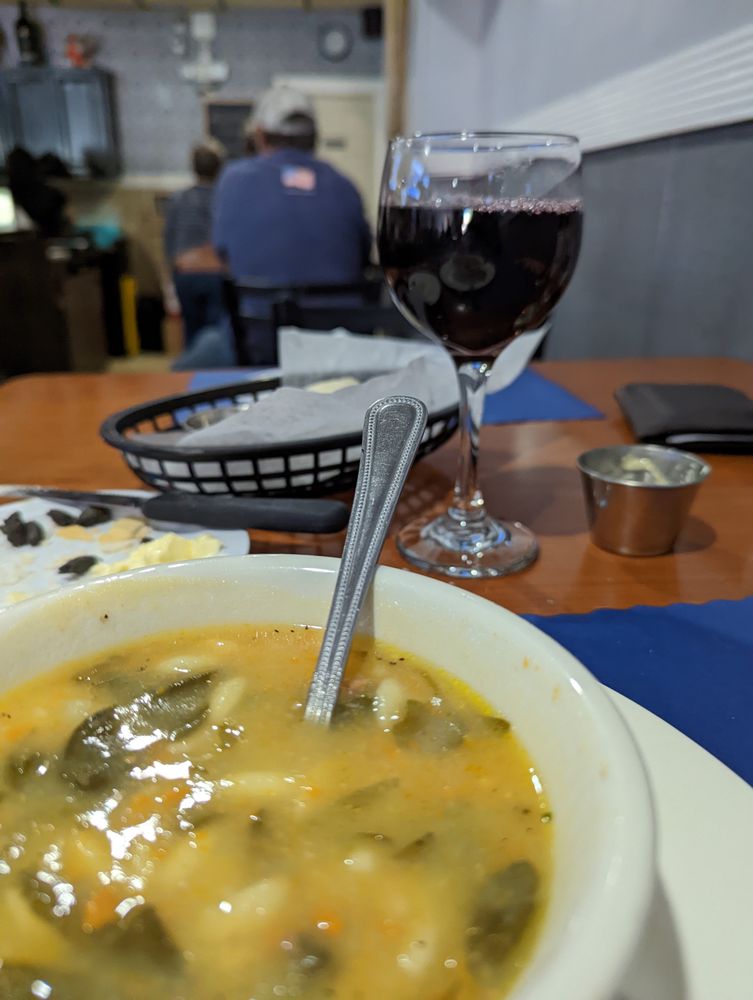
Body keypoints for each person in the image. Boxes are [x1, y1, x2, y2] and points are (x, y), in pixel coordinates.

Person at [211, 85, 373, 364]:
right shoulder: (345, 186)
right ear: (314, 138)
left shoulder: (232, 181)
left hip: (260, 349)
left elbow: (223, 255)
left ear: (259, 135)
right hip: (340, 349)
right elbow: (362, 259)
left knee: (197, 352)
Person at [164, 140, 226, 348]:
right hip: (217, 275)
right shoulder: (226, 197)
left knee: (191, 332)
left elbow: (169, 241)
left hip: (185, 275)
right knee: (217, 336)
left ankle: (193, 372)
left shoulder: (177, 199)